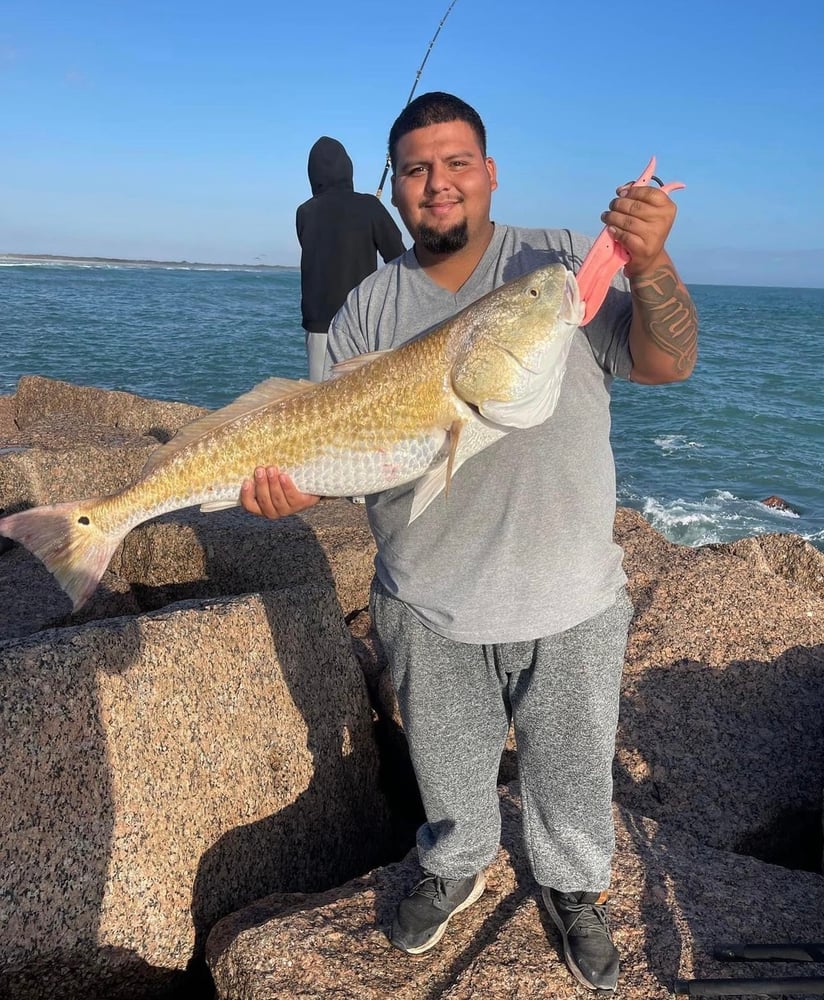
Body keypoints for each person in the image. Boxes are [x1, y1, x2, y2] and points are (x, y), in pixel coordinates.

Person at [243, 93, 698, 992]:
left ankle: (572, 890)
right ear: (395, 188)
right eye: (416, 168)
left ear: (489, 173)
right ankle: (456, 860)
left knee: (571, 773)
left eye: (456, 164)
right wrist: (284, 489)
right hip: (427, 597)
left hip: (570, 590)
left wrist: (649, 263)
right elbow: (340, 446)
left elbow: (666, 361)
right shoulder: (369, 309)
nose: (437, 184)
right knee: (446, 768)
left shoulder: (557, 265)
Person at [296, 136, 405, 381]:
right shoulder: (369, 207)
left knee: (321, 404)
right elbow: (398, 258)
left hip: (318, 327)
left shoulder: (304, 213)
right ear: (348, 169)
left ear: (312, 175)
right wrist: (371, 215)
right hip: (363, 324)